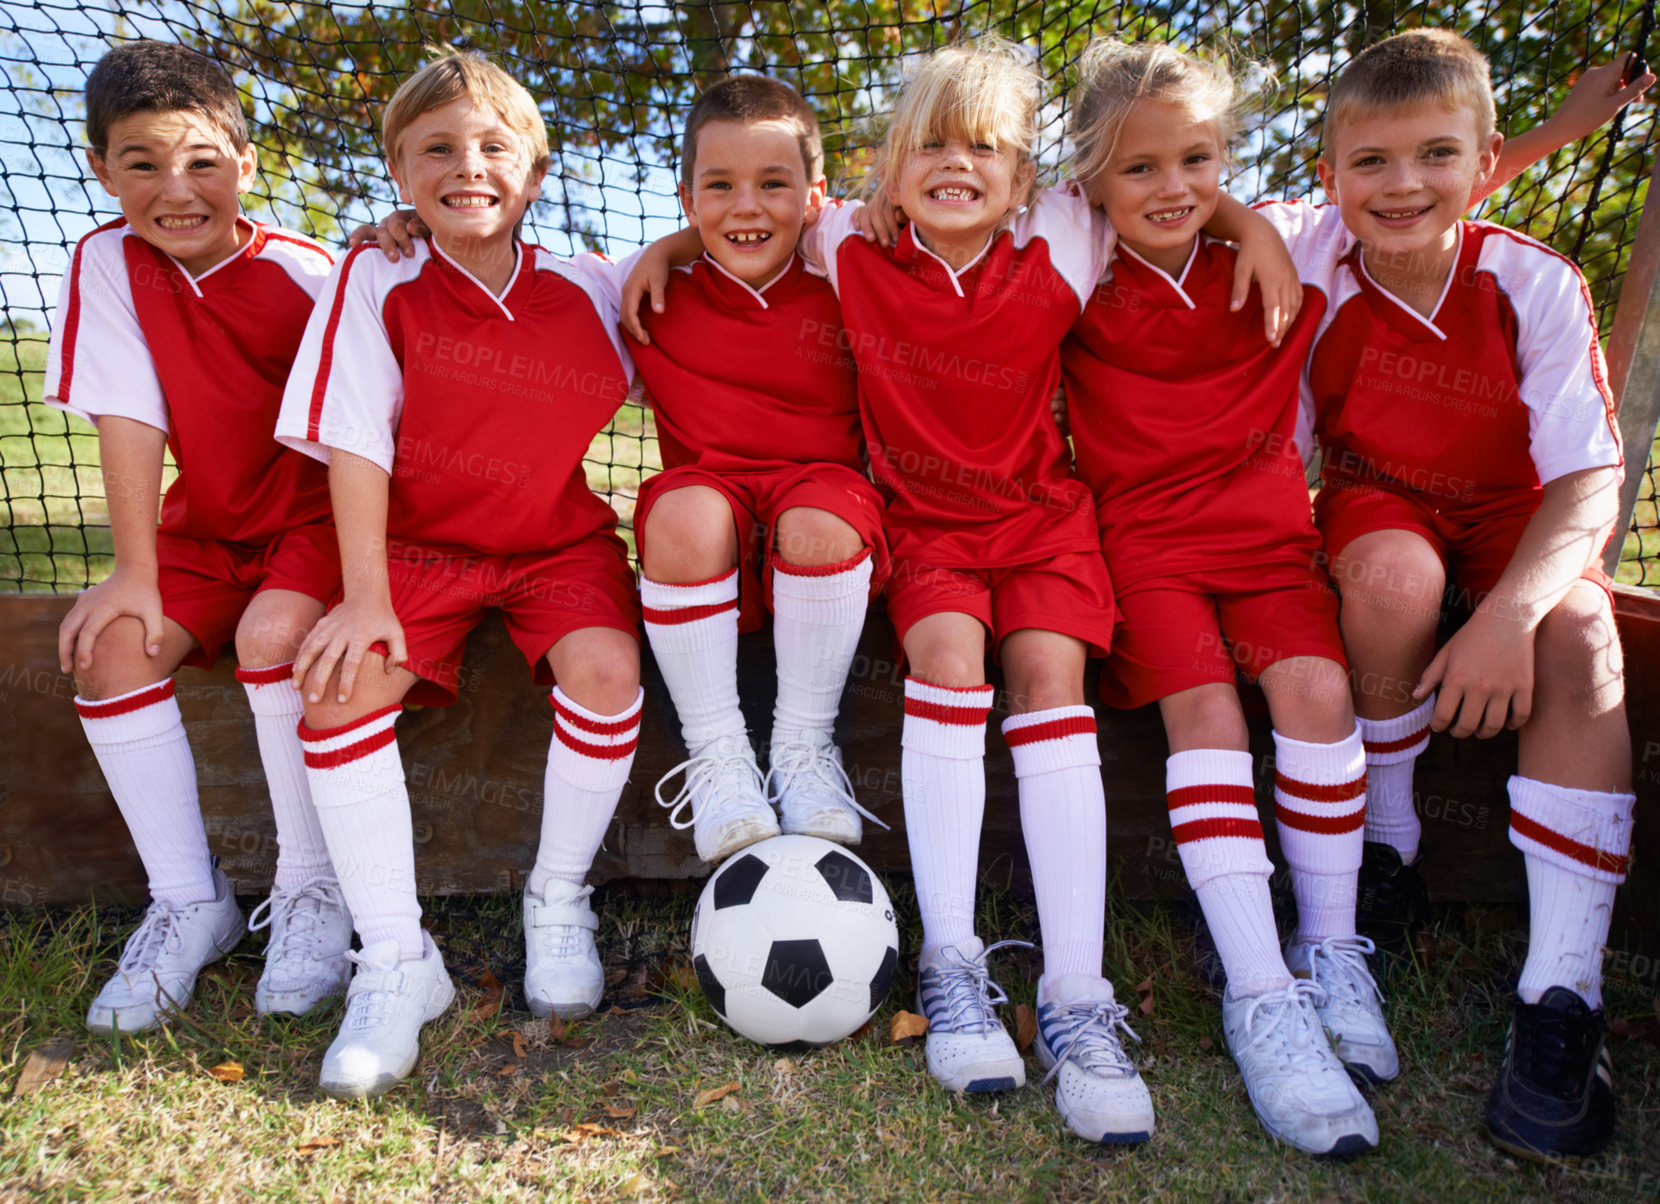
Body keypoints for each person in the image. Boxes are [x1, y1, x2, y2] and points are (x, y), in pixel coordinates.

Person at [625, 36, 1300, 1145]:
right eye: (929, 145)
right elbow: (759, 212)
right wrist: (661, 240)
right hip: (926, 528)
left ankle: (1079, 1000)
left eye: (986, 147)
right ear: (886, 175)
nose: (957, 163)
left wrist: (1253, 226)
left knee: (1048, 674)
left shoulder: (1069, 239)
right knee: (943, 655)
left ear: (1029, 177)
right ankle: (949, 964)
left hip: (1043, 519)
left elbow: (1170, 187)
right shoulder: (848, 246)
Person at [1262, 31, 1649, 1161]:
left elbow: (1587, 484)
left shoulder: (1533, 278)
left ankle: (1562, 999)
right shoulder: (1308, 256)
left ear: (1482, 166)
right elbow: (1179, 200)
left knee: (1582, 634)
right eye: (1367, 163)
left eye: (1438, 156)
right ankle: (1388, 852)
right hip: (1380, 505)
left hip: (1519, 517)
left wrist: (1508, 618)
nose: (1401, 185)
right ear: (1327, 179)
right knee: (1392, 574)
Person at [275, 50, 643, 1099]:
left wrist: (663, 247)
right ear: (398, 172)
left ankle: (557, 896)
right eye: (435, 148)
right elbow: (355, 444)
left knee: (609, 674)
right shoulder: (375, 275)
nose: (466, 165)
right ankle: (397, 960)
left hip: (553, 546)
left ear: (533, 172)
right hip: (412, 549)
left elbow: (699, 257)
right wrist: (365, 596)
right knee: (336, 685)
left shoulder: (592, 287)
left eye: (493, 147)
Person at [1058, 39, 1385, 1158]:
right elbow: (931, 191)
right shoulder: (1069, 248)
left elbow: (1416, 185)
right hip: (1140, 546)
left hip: (1265, 539)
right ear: (1090, 180)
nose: (1173, 188)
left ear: (1227, 159)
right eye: (1139, 168)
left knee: (1316, 689)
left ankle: (1332, 952)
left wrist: (1244, 219)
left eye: (1197, 160)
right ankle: (1260, 995)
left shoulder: (1287, 236)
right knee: (1202, 714)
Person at [44, 39, 346, 1034]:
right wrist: (133, 573)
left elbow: (371, 419)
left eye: (201, 162)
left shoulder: (309, 273)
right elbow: (127, 414)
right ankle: (190, 900)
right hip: (204, 532)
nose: (176, 189)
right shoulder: (106, 260)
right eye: (141, 164)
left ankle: (311, 892)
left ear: (246, 165)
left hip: (311, 528)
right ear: (101, 171)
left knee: (270, 639)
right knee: (111, 648)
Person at [626, 75, 890, 862]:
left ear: (813, 197)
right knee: (680, 514)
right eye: (720, 186)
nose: (747, 206)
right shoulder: (644, 291)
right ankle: (719, 758)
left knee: (821, 522)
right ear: (686, 197)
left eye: (773, 184)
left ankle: (804, 752)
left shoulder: (850, 275)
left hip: (820, 495)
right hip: (711, 506)